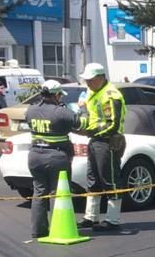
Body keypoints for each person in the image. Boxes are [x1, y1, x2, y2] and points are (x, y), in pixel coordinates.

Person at [77, 63, 127, 231]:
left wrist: (91, 131)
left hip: (107, 141)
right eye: (86, 80)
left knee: (110, 180)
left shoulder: (110, 95)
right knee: (92, 179)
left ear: (100, 78)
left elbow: (112, 124)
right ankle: (91, 217)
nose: (88, 83)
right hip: (95, 140)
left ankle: (113, 220)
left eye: (90, 80)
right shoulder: (94, 92)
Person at [25, 80, 76, 241]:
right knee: (59, 194)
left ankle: (38, 231)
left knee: (39, 193)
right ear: (56, 95)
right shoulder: (60, 112)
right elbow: (81, 122)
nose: (61, 98)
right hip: (56, 157)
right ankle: (59, 229)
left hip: (34, 156)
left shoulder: (31, 110)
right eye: (60, 95)